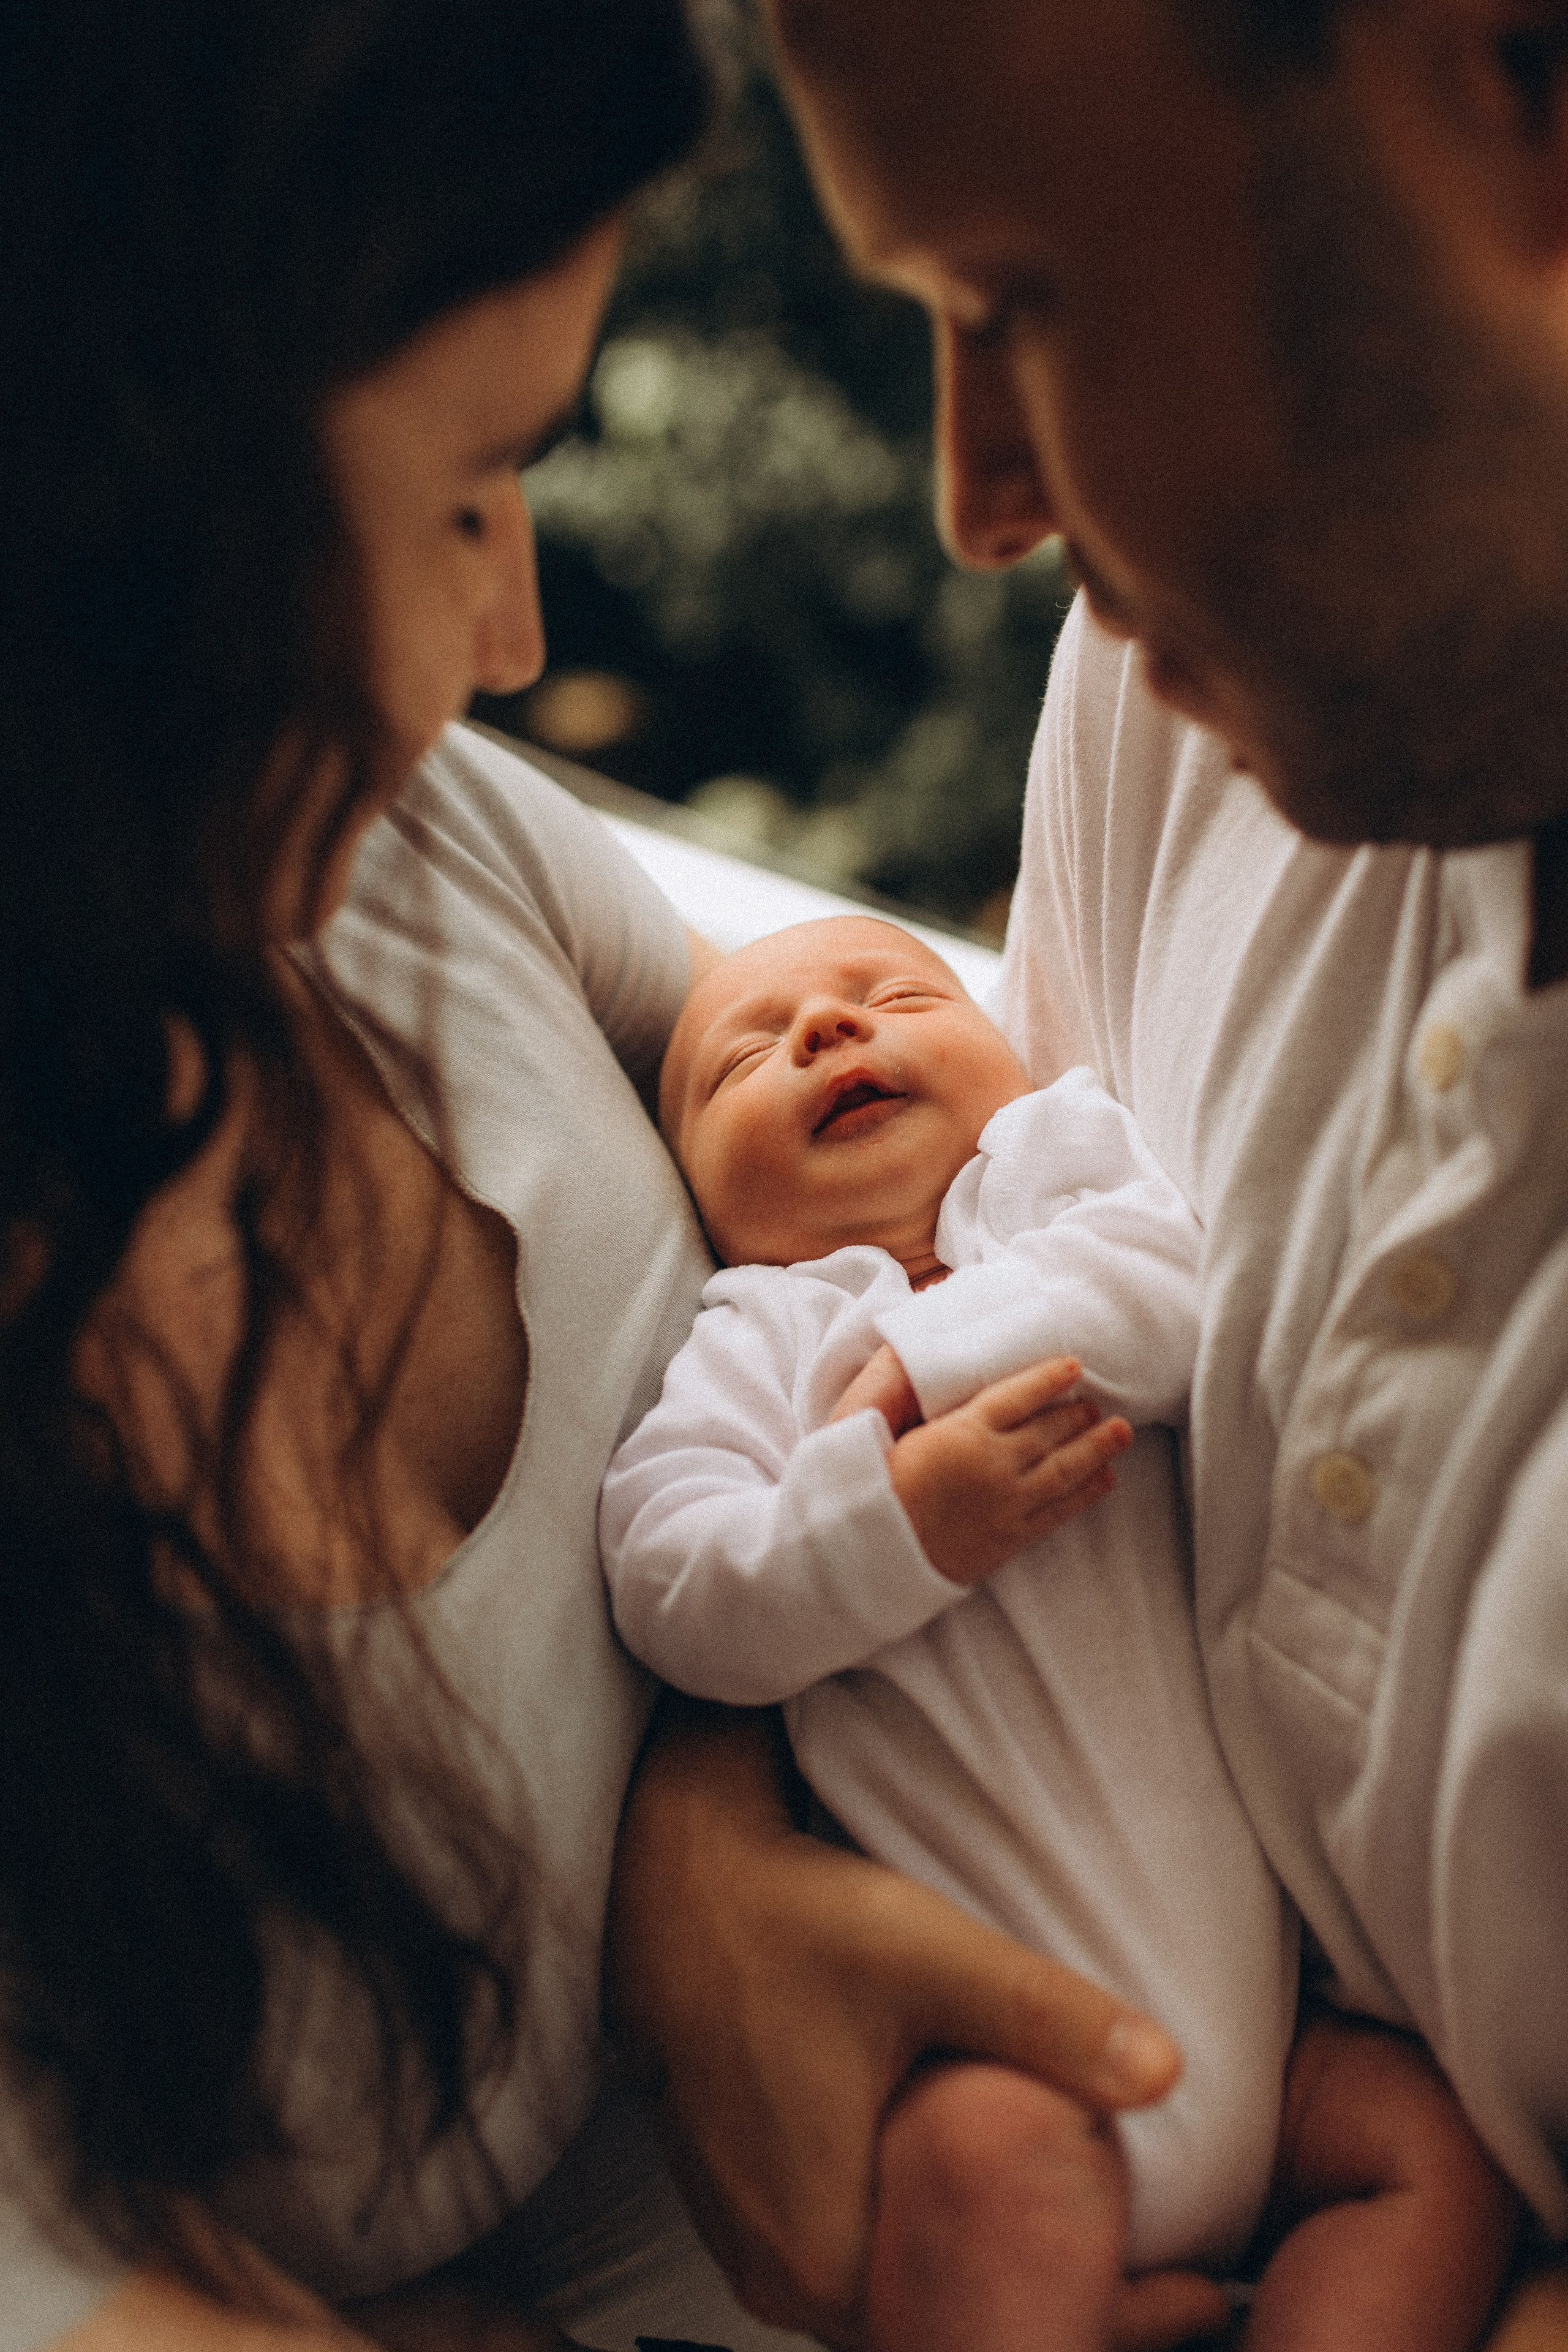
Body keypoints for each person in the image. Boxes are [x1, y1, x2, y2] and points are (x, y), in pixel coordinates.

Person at [0, 7, 1201, 2351]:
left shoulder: (412, 853)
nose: (516, 637)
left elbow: (873, 1087)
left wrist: (697, 1834)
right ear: (108, 528)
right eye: (470, 488)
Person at [600, 1, 1568, 2346]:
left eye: (1020, 302)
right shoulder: (1198, 672)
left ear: (1519, 86)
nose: (981, 504)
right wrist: (687, 1885)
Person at [602, 911, 1517, 2352]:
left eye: (892, 994)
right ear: (701, 1203)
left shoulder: (1057, 1188)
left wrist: (919, 1369)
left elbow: (1172, 1287)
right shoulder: (758, 1340)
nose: (828, 1032)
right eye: (740, 1062)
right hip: (1000, 2064)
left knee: (1433, 2163)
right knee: (982, 2176)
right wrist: (884, 1522)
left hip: (1282, 2059)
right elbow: (669, 1587)